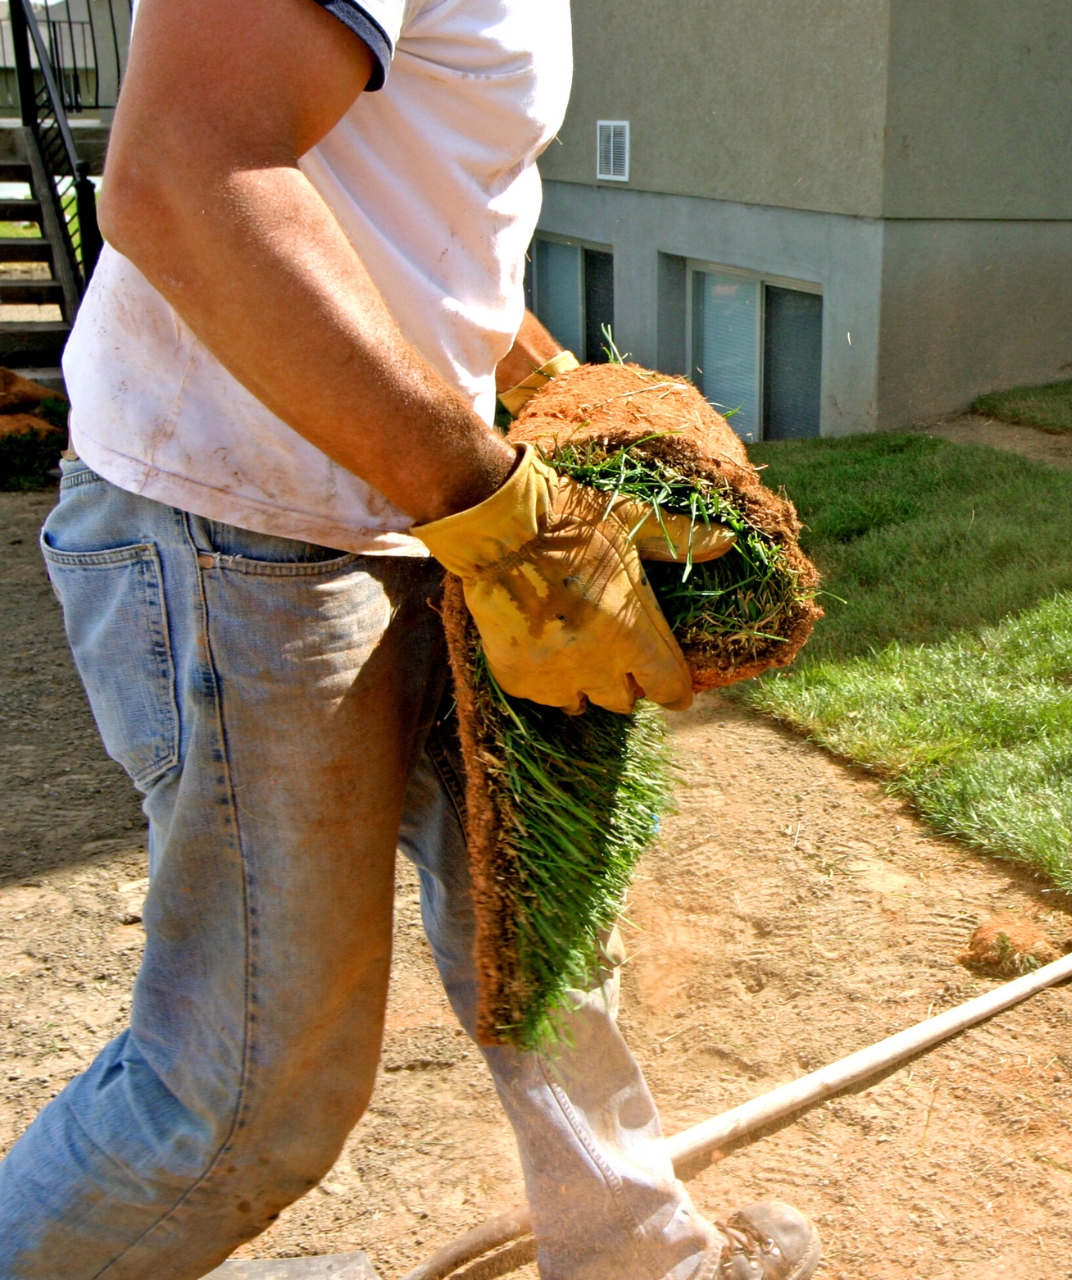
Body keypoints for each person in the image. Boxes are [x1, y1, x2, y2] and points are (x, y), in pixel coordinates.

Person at [0, 0, 820, 1276]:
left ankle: (639, 1257)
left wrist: (547, 387)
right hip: (242, 522)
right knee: (245, 1094)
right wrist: (498, 519)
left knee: (534, 908)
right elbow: (179, 175)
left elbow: (399, 210)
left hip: (404, 500)